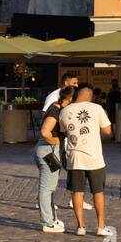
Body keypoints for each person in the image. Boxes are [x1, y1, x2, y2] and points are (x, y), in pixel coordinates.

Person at [59, 85, 113, 237]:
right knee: (98, 192)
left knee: (77, 191)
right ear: (90, 96)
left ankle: (80, 226)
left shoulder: (65, 111)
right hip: (94, 157)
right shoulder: (97, 108)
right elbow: (108, 131)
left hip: (75, 158)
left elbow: (64, 131)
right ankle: (101, 227)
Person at [36, 85, 74, 233]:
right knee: (47, 188)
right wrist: (54, 141)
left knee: (51, 187)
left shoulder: (55, 107)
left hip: (46, 149)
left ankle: (52, 218)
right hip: (48, 150)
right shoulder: (55, 110)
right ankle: (47, 222)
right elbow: (45, 131)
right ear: (69, 99)